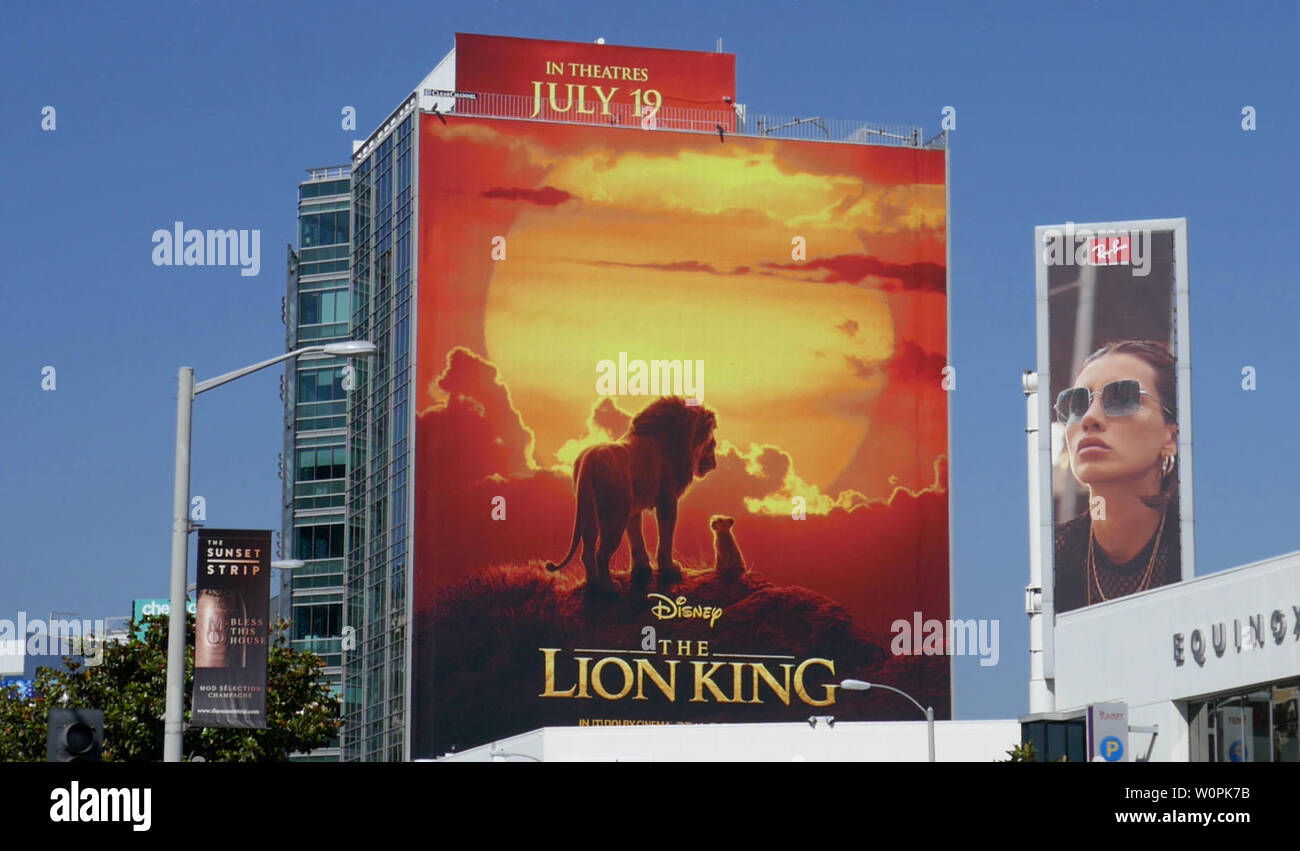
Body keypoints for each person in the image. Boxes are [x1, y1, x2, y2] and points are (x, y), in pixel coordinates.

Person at [1054, 340, 1181, 612]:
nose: (1089, 418)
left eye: (1123, 398)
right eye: (1077, 404)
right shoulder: (1049, 560)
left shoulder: (1200, 546)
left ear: (1171, 437)